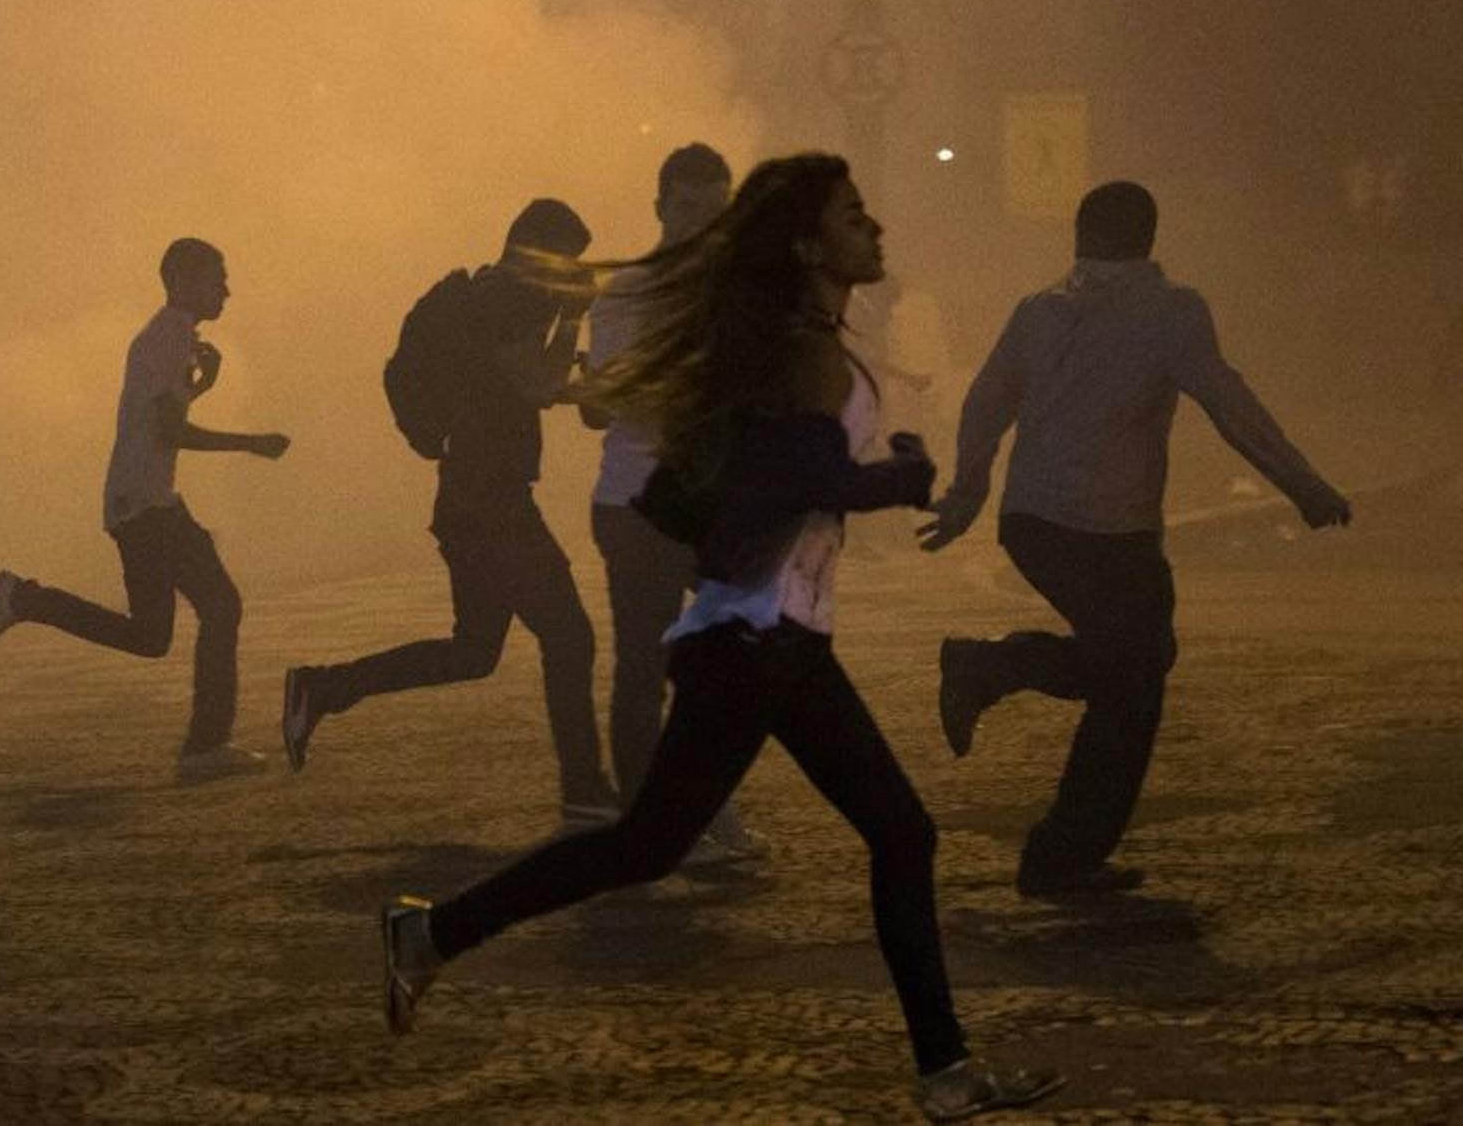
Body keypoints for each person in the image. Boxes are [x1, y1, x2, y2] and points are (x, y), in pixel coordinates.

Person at [374, 155, 1063, 1123]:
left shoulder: (805, 337)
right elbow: (787, 475)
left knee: (654, 843)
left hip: (775, 632)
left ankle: (432, 935)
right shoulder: (794, 348)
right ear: (805, 244)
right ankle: (944, 1072)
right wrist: (897, 476)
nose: (876, 231)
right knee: (867, 833)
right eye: (853, 218)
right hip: (756, 635)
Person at [921, 181, 1351, 898]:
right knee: (1134, 680)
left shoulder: (1037, 310)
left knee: (1134, 663)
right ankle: (1060, 847)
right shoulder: (1173, 313)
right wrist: (1301, 483)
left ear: (1079, 238)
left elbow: (987, 399)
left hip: (1032, 523)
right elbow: (1230, 403)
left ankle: (992, 675)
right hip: (1111, 530)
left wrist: (969, 491)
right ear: (1151, 239)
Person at [281, 199, 615, 826]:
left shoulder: (488, 297)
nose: (573, 274)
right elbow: (537, 386)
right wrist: (574, 317)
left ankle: (323, 687)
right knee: (570, 636)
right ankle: (585, 793)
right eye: (567, 260)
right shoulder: (505, 299)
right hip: (490, 502)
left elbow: (526, 387)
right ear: (536, 252)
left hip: (469, 496)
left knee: (474, 651)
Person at [0, 238, 289, 782]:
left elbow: (159, 420)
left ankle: (25, 598)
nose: (227, 291)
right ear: (184, 281)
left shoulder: (171, 337)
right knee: (221, 608)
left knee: (151, 636)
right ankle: (204, 746)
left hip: (139, 500)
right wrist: (251, 442)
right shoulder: (168, 336)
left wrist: (201, 386)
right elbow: (171, 431)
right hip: (147, 504)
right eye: (218, 279)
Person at [584, 144, 764, 864]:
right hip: (640, 503)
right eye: (690, 208)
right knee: (644, 662)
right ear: (660, 206)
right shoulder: (631, 291)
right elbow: (615, 398)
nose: (703, 224)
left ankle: (694, 804)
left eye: (716, 210)